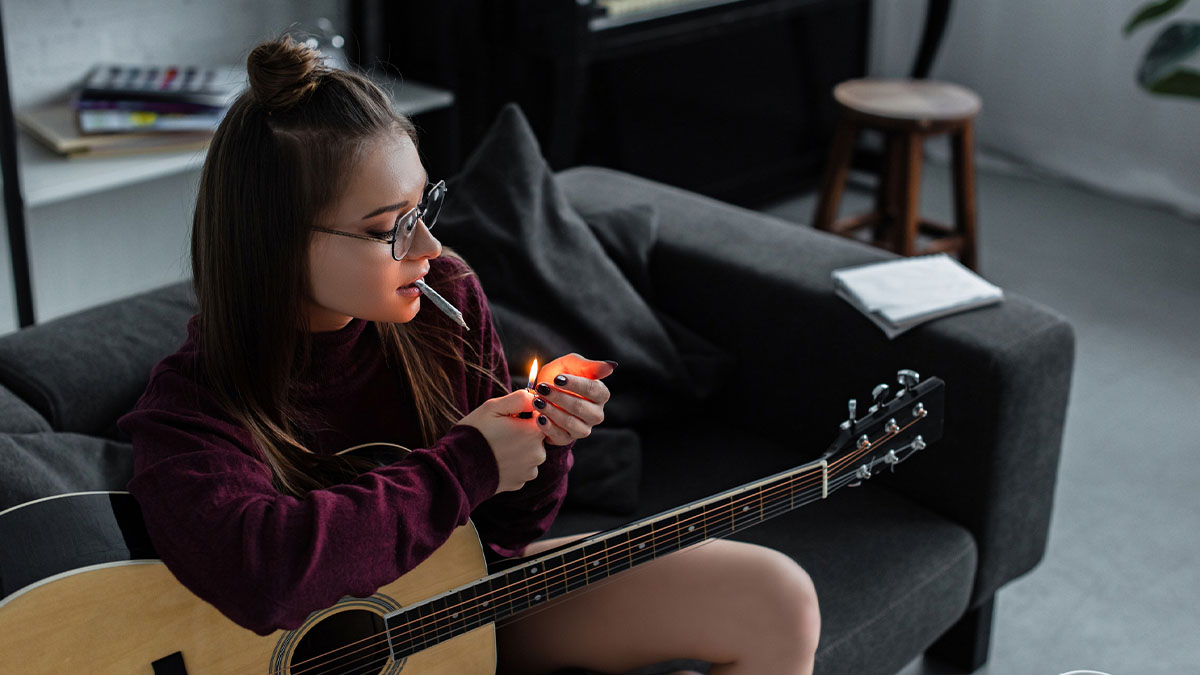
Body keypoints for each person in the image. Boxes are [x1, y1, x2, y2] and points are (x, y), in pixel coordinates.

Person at [118, 36, 821, 675]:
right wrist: (470, 461)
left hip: (460, 603)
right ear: (275, 243)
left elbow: (503, 538)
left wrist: (539, 438)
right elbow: (266, 574)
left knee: (776, 597)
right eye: (388, 228)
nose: (425, 248)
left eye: (424, 208)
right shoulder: (191, 409)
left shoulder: (443, 299)